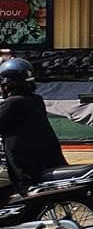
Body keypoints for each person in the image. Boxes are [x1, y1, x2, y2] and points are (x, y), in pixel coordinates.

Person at [0, 57, 65, 196]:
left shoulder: (13, 103)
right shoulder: (36, 100)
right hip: (47, 158)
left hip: (26, 164)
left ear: (7, 84)